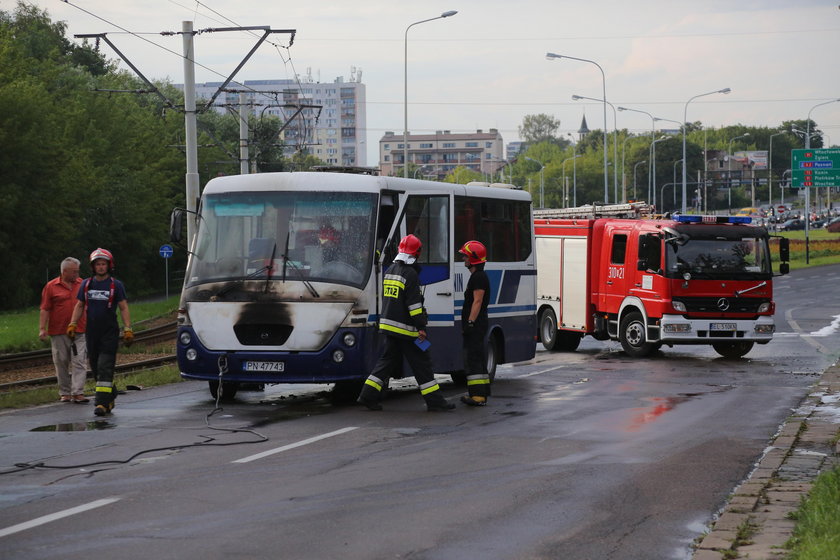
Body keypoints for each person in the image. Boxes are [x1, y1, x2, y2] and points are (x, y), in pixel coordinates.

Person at [357, 234, 454, 412]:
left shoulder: (390, 270)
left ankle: (367, 395)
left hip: (388, 327)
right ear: (417, 253)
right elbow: (414, 306)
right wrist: (421, 327)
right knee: (422, 363)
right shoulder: (410, 274)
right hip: (407, 331)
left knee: (386, 362)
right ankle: (435, 402)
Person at [67, 248, 133, 416]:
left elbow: (123, 307)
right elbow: (80, 305)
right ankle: (110, 395)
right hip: (92, 332)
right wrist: (73, 324)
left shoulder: (116, 285)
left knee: (105, 366)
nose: (101, 267)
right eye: (98, 264)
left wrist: (127, 328)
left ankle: (101, 404)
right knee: (96, 367)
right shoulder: (87, 284)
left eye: (104, 264)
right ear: (93, 266)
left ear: (109, 266)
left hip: (109, 332)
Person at [39, 257, 89, 403]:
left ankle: (78, 392)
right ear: (64, 271)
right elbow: (45, 308)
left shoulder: (83, 284)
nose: (77, 274)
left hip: (80, 329)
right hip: (59, 330)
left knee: (79, 361)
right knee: (61, 361)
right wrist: (42, 328)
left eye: (78, 271)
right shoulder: (51, 286)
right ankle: (65, 392)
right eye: (74, 272)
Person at [459, 240, 491, 406]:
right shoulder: (479, 276)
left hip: (476, 324)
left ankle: (477, 396)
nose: (463, 259)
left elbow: (477, 301)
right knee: (478, 356)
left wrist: (470, 322)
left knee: (473, 358)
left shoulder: (478, 278)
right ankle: (483, 392)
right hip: (479, 324)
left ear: (473, 258)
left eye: (465, 256)